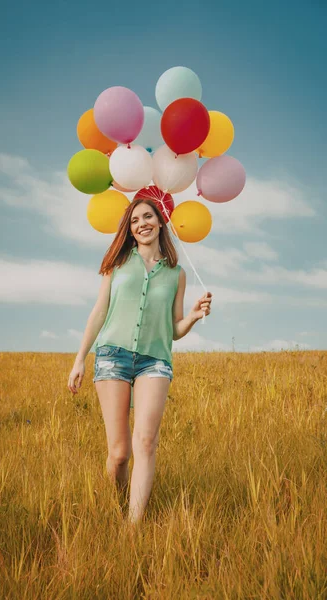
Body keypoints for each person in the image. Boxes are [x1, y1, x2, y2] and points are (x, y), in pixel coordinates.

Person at [67, 197, 212, 524]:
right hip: (111, 357)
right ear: (130, 230)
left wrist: (192, 316)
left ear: (161, 222)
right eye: (134, 221)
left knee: (146, 441)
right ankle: (116, 506)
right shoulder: (117, 262)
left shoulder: (177, 273)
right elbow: (99, 312)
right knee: (119, 454)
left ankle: (133, 529)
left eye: (148, 217)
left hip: (155, 361)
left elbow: (174, 330)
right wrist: (79, 360)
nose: (142, 223)